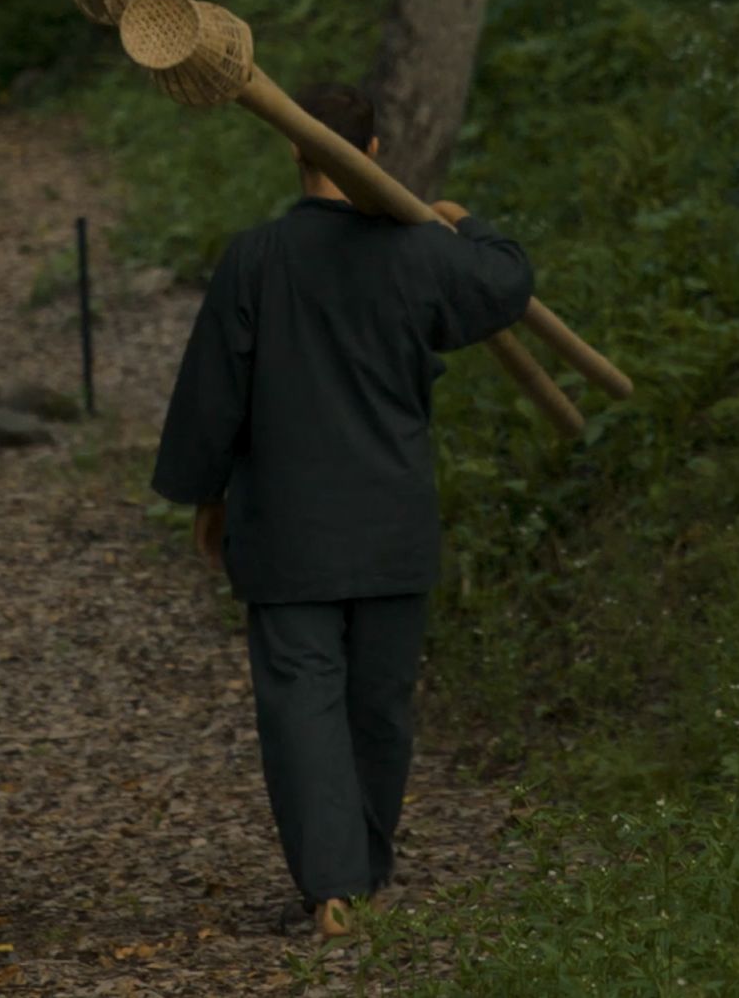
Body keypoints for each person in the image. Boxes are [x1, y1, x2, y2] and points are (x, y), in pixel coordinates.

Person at [148, 79, 537, 943]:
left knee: (303, 704)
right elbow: (507, 283)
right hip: (391, 523)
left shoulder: (256, 258)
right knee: (379, 705)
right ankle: (358, 873)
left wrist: (206, 498)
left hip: (288, 527)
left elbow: (215, 394)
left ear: (294, 149)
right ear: (372, 152)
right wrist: (465, 221)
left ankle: (336, 886)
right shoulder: (421, 252)